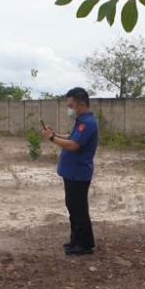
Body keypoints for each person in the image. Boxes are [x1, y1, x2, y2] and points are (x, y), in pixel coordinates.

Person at [41, 87, 99, 256]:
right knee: (73, 208)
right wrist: (54, 134)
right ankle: (75, 240)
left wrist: (52, 138)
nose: (69, 109)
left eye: (71, 105)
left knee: (79, 209)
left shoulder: (88, 123)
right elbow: (71, 137)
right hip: (72, 173)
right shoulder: (81, 121)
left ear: (81, 104)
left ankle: (85, 245)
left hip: (78, 173)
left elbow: (74, 145)